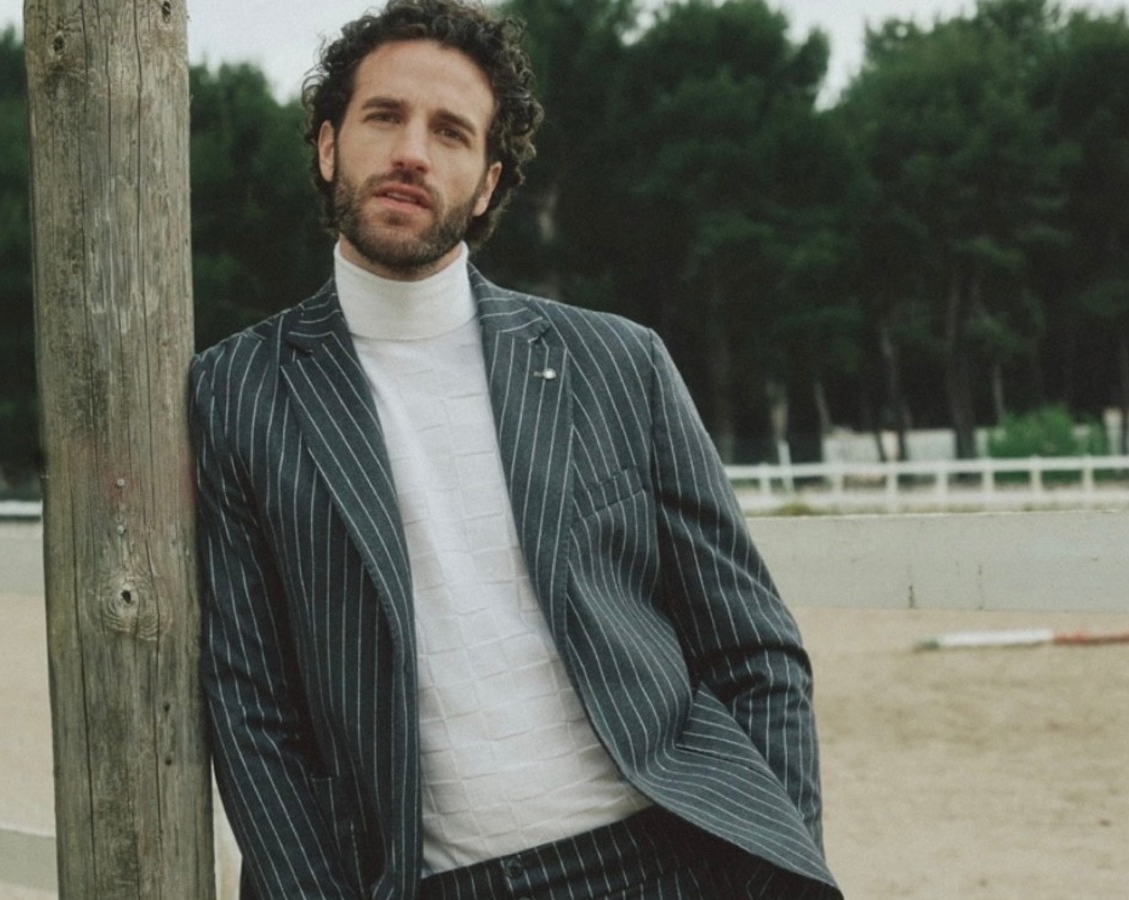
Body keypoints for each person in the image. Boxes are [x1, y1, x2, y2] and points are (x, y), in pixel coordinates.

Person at [189, 1, 841, 896]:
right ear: (330, 145)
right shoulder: (237, 390)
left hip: (665, 857)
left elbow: (754, 651)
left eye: (450, 131)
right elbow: (253, 710)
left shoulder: (619, 363)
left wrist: (773, 868)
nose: (412, 152)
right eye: (385, 116)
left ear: (489, 184)